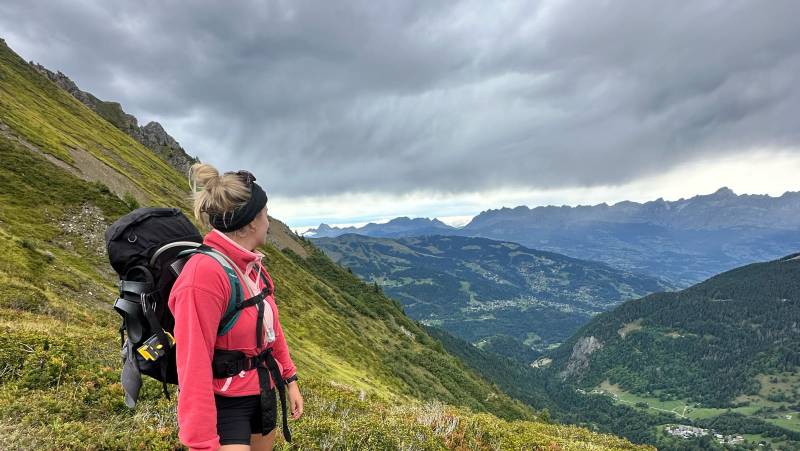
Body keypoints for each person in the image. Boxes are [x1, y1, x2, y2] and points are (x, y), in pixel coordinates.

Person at [169, 163, 303, 451]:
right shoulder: (203, 275)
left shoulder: (253, 267)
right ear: (253, 221)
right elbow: (192, 364)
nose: (269, 222)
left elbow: (271, 330)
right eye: (267, 214)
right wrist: (202, 443)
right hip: (227, 405)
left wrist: (290, 379)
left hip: (263, 391)